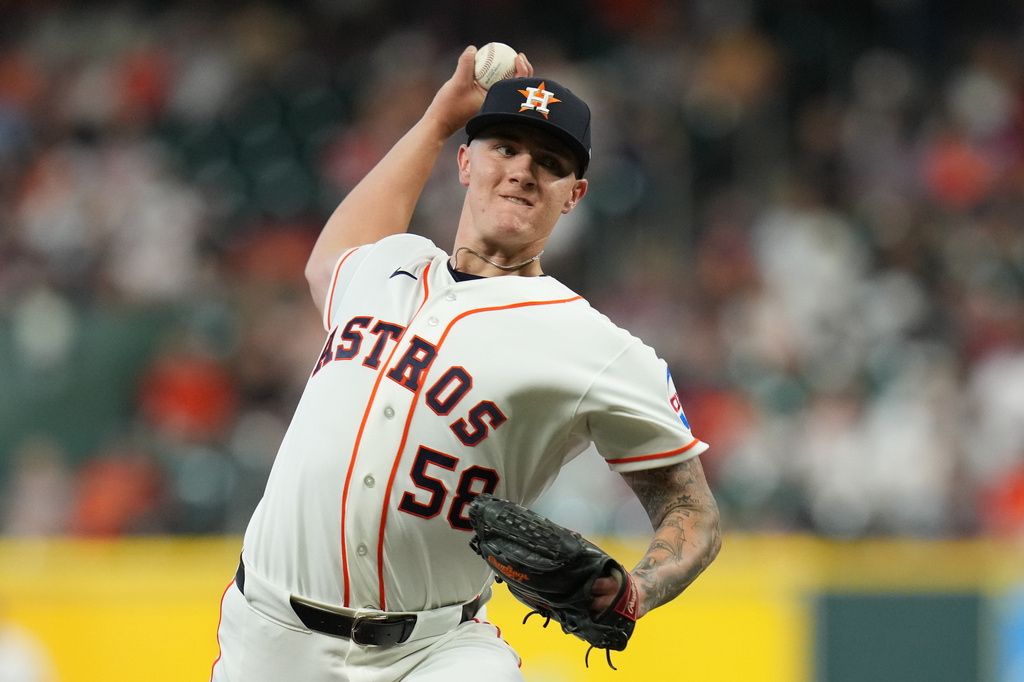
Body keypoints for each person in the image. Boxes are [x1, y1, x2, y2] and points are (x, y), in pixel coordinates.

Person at [210, 45, 721, 682]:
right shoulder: (387, 267)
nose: (523, 171)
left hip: (433, 652)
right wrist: (434, 120)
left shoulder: (595, 345)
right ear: (464, 162)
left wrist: (635, 592)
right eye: (504, 148)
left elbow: (692, 511)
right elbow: (328, 259)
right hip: (269, 638)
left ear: (574, 195)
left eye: (551, 163)